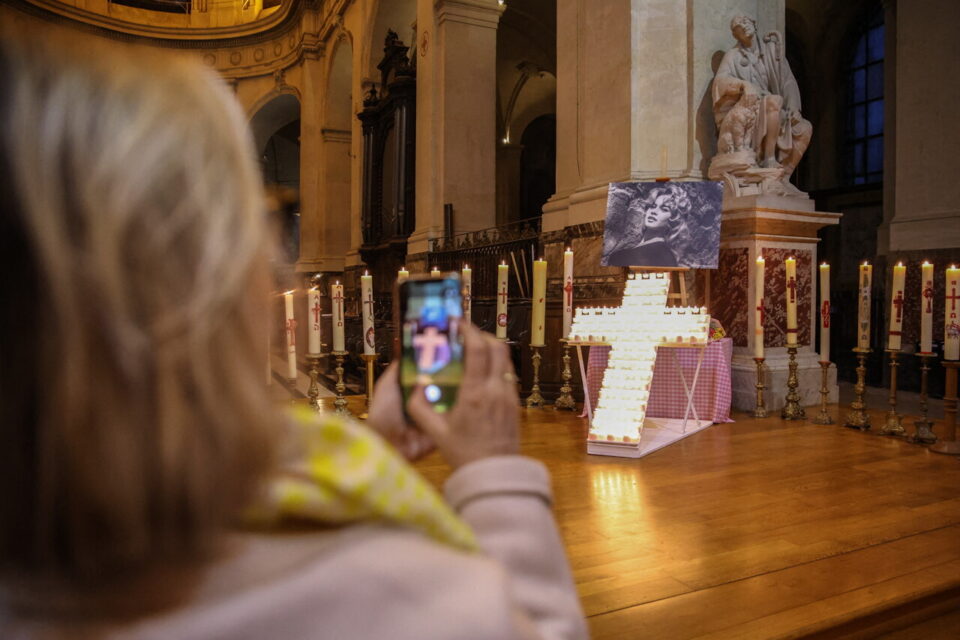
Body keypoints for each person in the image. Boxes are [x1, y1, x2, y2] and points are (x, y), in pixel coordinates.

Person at [0, 28, 587, 639]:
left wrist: (376, 452)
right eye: (256, 226)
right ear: (201, 295)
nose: (276, 268)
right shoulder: (369, 589)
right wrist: (494, 472)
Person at [710, 15, 812, 192]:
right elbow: (720, 81)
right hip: (753, 108)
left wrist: (794, 107)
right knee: (774, 101)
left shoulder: (772, 52)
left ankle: (783, 178)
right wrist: (742, 84)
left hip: (775, 110)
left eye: (746, 22)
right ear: (735, 35)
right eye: (738, 27)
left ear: (754, 24)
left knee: (805, 128)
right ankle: (768, 159)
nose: (744, 26)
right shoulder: (733, 56)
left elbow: (787, 81)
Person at [604, 183, 692, 267]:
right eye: (653, 206)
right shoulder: (634, 244)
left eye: (664, 209)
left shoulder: (662, 256)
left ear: (673, 220)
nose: (654, 211)